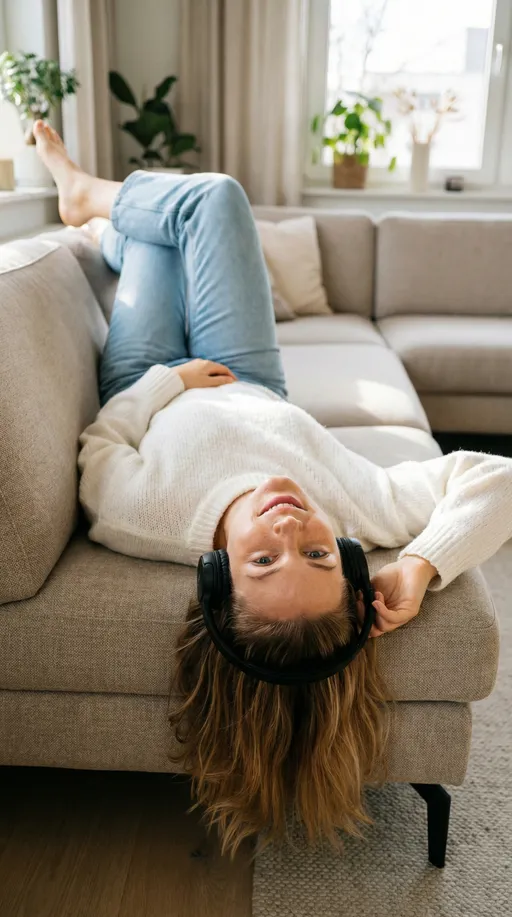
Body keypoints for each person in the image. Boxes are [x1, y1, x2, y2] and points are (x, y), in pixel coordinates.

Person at [34, 120, 512, 859]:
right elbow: (498, 475)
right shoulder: (361, 511)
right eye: (319, 557)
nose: (292, 529)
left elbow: (102, 442)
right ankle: (107, 222)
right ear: (350, 564)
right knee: (216, 200)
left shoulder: (139, 518)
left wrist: (168, 380)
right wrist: (423, 564)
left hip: (150, 377)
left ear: (217, 576)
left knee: (172, 230)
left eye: (264, 562)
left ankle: (91, 203)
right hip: (253, 374)